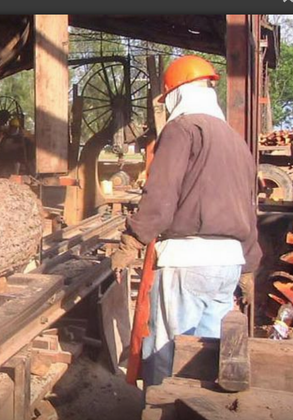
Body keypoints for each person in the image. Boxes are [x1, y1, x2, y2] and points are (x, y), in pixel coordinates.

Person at [110, 55, 261, 388]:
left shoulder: (182, 129)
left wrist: (131, 241)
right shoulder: (237, 142)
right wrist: (249, 267)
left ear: (177, 94)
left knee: (168, 351)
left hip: (188, 263)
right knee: (206, 357)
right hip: (228, 266)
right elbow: (247, 210)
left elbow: (161, 197)